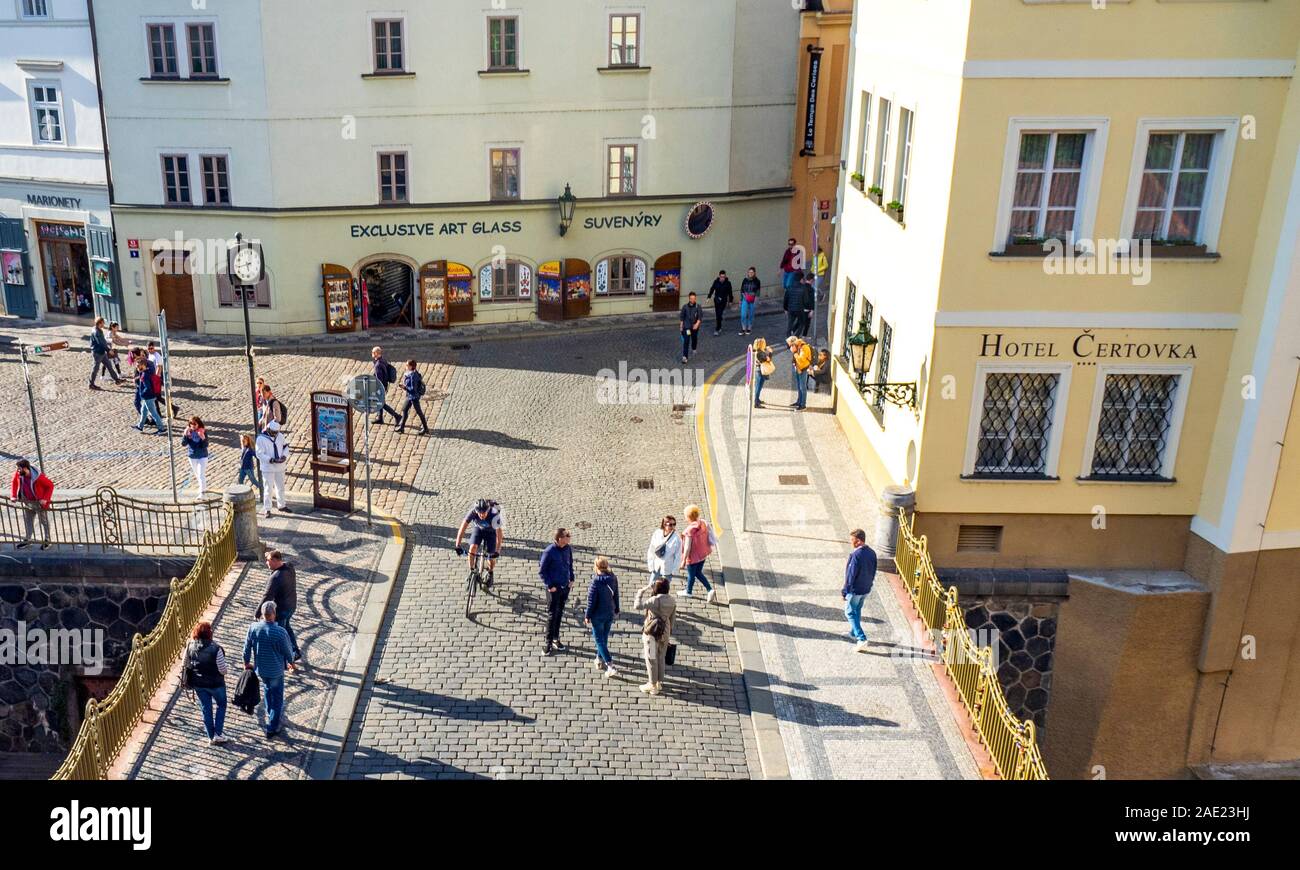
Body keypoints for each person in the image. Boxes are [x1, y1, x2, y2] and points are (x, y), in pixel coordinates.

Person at [242, 600, 294, 739]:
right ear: (274, 614)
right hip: (276, 670)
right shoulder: (280, 632)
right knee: (277, 697)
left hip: (262, 670)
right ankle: (272, 726)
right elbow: (288, 652)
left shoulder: (253, 628)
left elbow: (246, 648)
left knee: (267, 690)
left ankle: (270, 714)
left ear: (263, 614)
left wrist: (246, 662)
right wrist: (291, 662)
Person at [185, 621, 229, 745]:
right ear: (210, 633)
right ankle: (218, 734)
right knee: (221, 705)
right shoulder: (216, 649)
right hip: (216, 684)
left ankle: (210, 736)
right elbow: (223, 670)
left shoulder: (190, 646)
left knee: (206, 708)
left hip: (199, 684)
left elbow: (186, 664)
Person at [259, 550, 301, 669]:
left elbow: (267, 596)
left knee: (281, 635)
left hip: (282, 610)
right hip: (291, 606)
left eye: (268, 560)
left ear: (275, 560)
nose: (266, 563)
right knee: (287, 628)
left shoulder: (276, 577)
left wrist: (258, 612)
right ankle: (295, 651)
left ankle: (286, 660)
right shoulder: (289, 566)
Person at [633, 577, 676, 695]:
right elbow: (672, 618)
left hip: (652, 632)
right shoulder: (672, 600)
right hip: (665, 631)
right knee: (661, 656)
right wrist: (668, 632)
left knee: (651, 658)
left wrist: (640, 593)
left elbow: (637, 606)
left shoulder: (654, 600)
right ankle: (659, 683)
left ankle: (652, 685)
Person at [538, 528, 575, 656]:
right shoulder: (549, 552)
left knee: (560, 613)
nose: (569, 537)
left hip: (565, 587)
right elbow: (542, 571)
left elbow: (570, 564)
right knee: (552, 615)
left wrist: (572, 579)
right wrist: (550, 585)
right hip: (554, 589)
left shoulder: (568, 548)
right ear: (560, 538)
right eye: (567, 535)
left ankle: (555, 638)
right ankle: (548, 643)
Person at [584, 556, 620, 677]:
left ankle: (610, 665)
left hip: (597, 616)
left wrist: (587, 615)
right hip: (609, 613)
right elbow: (616, 595)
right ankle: (599, 659)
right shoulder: (613, 578)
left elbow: (591, 601)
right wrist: (617, 608)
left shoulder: (596, 581)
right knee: (604, 638)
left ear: (596, 567)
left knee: (599, 640)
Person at [843, 529, 877, 652]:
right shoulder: (872, 553)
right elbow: (873, 571)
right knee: (857, 610)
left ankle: (861, 638)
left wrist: (845, 591)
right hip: (865, 588)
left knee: (849, 613)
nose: (850, 542)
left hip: (855, 590)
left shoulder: (856, 555)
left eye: (852, 540)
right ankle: (853, 631)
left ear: (858, 541)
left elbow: (850, 576)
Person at [454, 498, 502, 585]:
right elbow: (463, 527)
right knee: (472, 548)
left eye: (483, 513)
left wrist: (497, 551)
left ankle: (490, 572)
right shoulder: (473, 512)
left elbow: (499, 534)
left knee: (491, 557)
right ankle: (472, 570)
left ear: (487, 510)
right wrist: (457, 545)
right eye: (479, 513)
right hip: (478, 530)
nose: (481, 515)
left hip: (491, 532)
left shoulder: (494, 515)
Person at [10, 459, 52, 550]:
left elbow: (50, 485)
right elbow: (14, 482)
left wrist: (45, 499)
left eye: (20, 468)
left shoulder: (38, 477)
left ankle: (47, 540)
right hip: (27, 502)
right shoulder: (19, 474)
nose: (18, 470)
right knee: (28, 521)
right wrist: (13, 495)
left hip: (39, 503)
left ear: (25, 468)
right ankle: (28, 540)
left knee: (44, 521)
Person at [680, 504, 718, 603]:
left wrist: (683, 560)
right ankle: (707, 590)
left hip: (693, 557)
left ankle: (690, 591)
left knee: (692, 574)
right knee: (697, 572)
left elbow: (687, 547)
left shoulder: (689, 531)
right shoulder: (703, 523)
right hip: (702, 555)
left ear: (688, 517)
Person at [255, 419, 290, 517]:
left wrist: (284, 456)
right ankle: (267, 509)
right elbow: (259, 453)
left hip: (280, 466)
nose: (275, 435)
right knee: (268, 488)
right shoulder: (261, 439)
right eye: (273, 432)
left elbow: (286, 447)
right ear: (269, 429)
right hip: (268, 467)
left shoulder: (280, 436)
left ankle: (282, 505)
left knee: (280, 487)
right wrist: (270, 460)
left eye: (276, 433)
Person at [645, 515, 682, 586]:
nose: (673, 526)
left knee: (663, 591)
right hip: (656, 566)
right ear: (664, 524)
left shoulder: (677, 539)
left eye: (674, 524)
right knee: (651, 586)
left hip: (667, 569)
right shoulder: (657, 533)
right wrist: (651, 565)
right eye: (670, 524)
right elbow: (651, 549)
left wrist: (674, 571)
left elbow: (678, 556)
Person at [133, 357, 166, 434]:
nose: (137, 368)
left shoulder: (144, 375)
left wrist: (142, 393)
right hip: (148, 397)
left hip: (148, 397)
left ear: (143, 365)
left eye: (138, 366)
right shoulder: (147, 372)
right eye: (137, 366)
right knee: (143, 411)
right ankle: (140, 426)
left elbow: (148, 387)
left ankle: (161, 429)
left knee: (153, 413)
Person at [395, 359, 429, 435]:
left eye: (407, 365)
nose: (405, 366)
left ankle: (426, 428)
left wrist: (404, 387)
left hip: (414, 397)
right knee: (404, 410)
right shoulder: (410, 373)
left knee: (419, 412)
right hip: (409, 396)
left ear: (410, 366)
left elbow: (413, 389)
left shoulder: (413, 376)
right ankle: (402, 427)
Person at [370, 346, 400, 425]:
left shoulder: (378, 365)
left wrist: (376, 388)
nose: (372, 354)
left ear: (376, 353)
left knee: (381, 403)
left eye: (373, 352)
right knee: (380, 402)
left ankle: (397, 416)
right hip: (385, 385)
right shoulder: (383, 360)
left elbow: (379, 380)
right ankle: (380, 418)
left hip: (381, 387)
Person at [88, 317, 121, 389]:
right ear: (100, 323)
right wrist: (109, 350)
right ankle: (91, 384)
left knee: (109, 365)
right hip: (97, 353)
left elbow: (102, 342)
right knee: (95, 368)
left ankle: (116, 379)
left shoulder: (96, 329)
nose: (104, 324)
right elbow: (101, 343)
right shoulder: (97, 332)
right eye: (103, 322)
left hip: (101, 352)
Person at [181, 416, 209, 495]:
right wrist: (185, 435)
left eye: (194, 424)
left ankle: (202, 493)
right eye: (191, 424)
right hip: (192, 456)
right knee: (197, 474)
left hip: (202, 456)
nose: (193, 425)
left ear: (198, 424)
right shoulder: (188, 432)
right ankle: (203, 486)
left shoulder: (202, 431)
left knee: (201, 474)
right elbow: (183, 444)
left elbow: (206, 445)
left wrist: (203, 438)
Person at [788, 336, 813, 410]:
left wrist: (795, 353)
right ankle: (799, 401)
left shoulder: (804, 348)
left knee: (803, 387)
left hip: (803, 369)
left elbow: (801, 359)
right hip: (798, 368)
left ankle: (803, 405)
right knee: (799, 386)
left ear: (794, 343)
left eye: (790, 345)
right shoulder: (798, 347)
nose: (790, 346)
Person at [679, 292, 703, 364]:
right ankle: (685, 357)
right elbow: (682, 317)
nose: (692, 300)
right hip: (687, 327)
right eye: (691, 298)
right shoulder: (685, 307)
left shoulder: (698, 307)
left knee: (694, 338)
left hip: (694, 327)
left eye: (694, 298)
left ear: (695, 299)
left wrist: (697, 324)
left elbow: (700, 317)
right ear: (689, 299)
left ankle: (694, 348)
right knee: (686, 341)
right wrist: (681, 326)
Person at [707, 270, 733, 336]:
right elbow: (712, 289)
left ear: (725, 277)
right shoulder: (716, 282)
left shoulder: (728, 283)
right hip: (717, 300)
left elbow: (730, 292)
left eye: (723, 277)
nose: (722, 278)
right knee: (718, 314)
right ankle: (720, 325)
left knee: (719, 314)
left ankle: (717, 329)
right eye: (721, 277)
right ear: (719, 276)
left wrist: (730, 301)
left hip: (723, 301)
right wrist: (709, 297)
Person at [236, 433, 262, 498]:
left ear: (248, 441)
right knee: (240, 480)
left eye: (244, 441)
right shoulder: (244, 448)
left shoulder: (250, 450)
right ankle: (241, 492)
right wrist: (241, 437)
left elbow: (256, 455)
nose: (243, 442)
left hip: (248, 468)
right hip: (243, 468)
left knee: (253, 481)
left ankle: (262, 490)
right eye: (242, 441)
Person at [752, 338, 775, 408]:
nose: (765, 344)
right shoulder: (760, 352)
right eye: (764, 343)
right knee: (758, 387)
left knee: (759, 386)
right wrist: (770, 352)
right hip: (760, 371)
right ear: (761, 344)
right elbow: (767, 359)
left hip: (758, 370)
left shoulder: (758, 351)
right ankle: (756, 403)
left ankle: (757, 400)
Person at [739, 267, 760, 335]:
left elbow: (758, 292)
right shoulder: (745, 280)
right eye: (749, 272)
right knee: (743, 315)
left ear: (754, 273)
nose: (750, 273)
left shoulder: (757, 281)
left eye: (752, 272)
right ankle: (743, 328)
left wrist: (756, 301)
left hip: (753, 299)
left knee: (751, 314)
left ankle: (749, 328)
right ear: (747, 273)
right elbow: (742, 290)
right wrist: (741, 300)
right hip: (745, 298)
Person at [782, 272, 805, 337]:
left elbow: (785, 299)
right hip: (799, 309)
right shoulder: (803, 288)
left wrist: (785, 309)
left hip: (791, 309)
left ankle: (788, 343)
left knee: (789, 325)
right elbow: (806, 300)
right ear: (801, 279)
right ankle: (796, 337)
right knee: (802, 323)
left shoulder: (789, 287)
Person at [799, 271, 816, 338]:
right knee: (806, 324)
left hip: (800, 308)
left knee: (800, 323)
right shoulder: (811, 289)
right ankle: (803, 336)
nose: (814, 281)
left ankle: (794, 334)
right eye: (813, 280)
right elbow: (811, 300)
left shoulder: (802, 287)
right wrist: (812, 310)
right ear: (811, 280)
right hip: (807, 309)